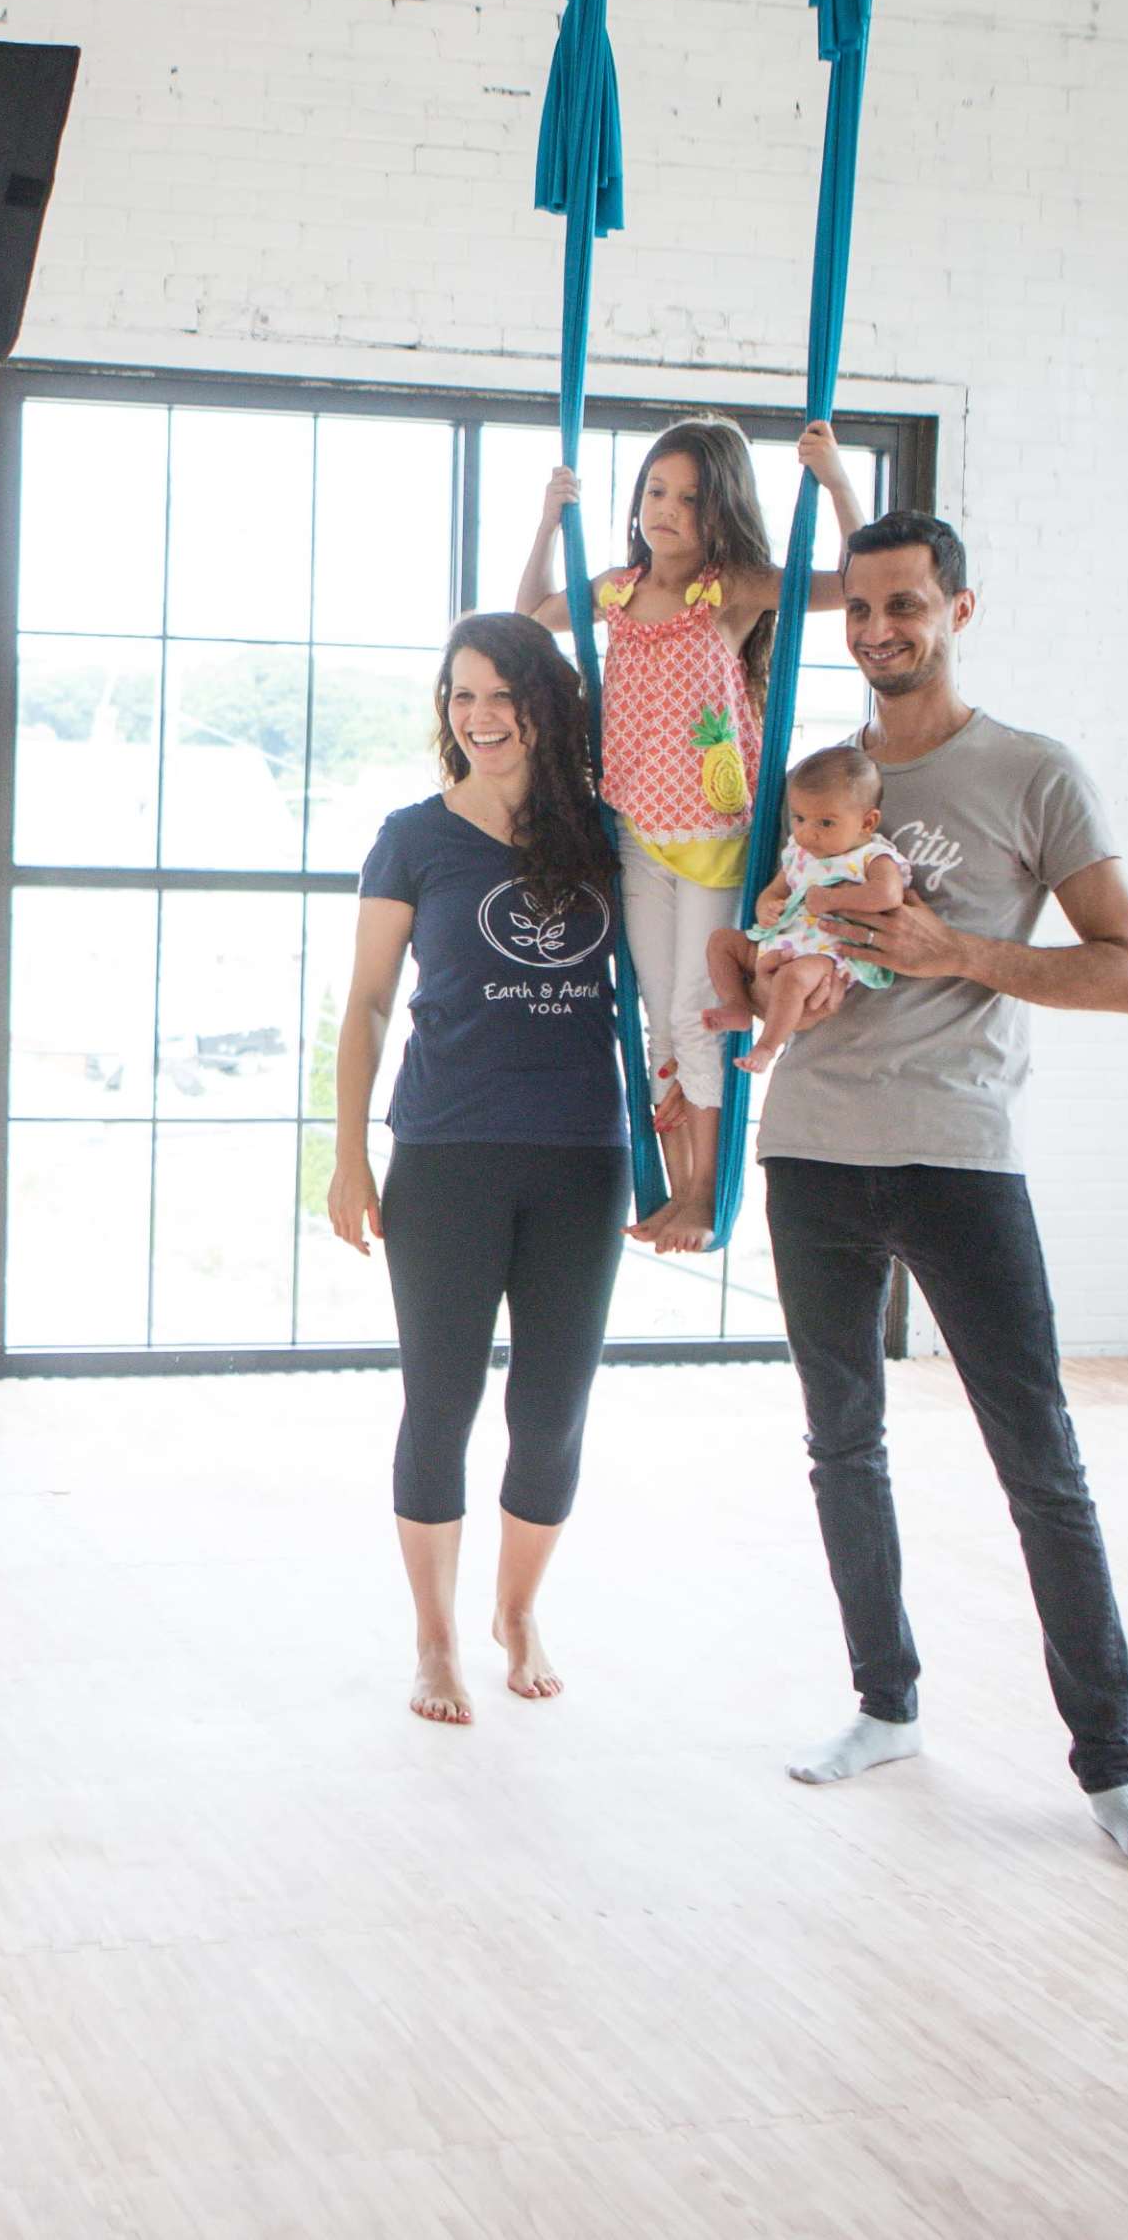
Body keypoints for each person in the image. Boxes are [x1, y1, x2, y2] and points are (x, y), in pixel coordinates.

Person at [751, 514, 1128, 1878]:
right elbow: (768, 943)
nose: (880, 626)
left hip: (960, 1153)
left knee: (1041, 1463)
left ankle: (1112, 1769)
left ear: (959, 607)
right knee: (843, 1445)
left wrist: (964, 949)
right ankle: (885, 1703)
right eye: (862, 607)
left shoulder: (1032, 772)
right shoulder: (819, 781)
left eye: (906, 603)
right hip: (812, 1145)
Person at [325, 614, 628, 1725]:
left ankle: (518, 1611)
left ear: (545, 705)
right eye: (460, 695)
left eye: (502, 694)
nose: (480, 716)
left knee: (551, 1411)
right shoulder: (412, 836)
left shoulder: (608, 833)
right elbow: (364, 1003)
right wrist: (350, 1155)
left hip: (582, 1157)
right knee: (440, 1402)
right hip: (445, 1153)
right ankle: (437, 1641)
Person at [514, 417, 865, 1248]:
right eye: (656, 491)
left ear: (722, 510)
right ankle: (676, 1187)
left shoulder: (731, 588)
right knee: (657, 1015)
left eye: (690, 498)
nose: (666, 509)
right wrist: (545, 518)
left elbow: (856, 583)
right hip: (638, 831)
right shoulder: (615, 590)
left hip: (715, 839)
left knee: (696, 1006)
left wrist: (838, 481)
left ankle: (709, 1191)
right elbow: (529, 615)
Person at [703, 739, 907, 1072]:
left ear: (867, 823)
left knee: (793, 979)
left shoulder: (872, 856)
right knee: (722, 942)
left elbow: (888, 895)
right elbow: (774, 891)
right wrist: (766, 907)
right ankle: (737, 1005)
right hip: (780, 940)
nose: (807, 833)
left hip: (825, 953)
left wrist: (834, 899)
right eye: (799, 818)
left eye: (825, 823)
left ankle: (767, 1046)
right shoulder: (800, 854)